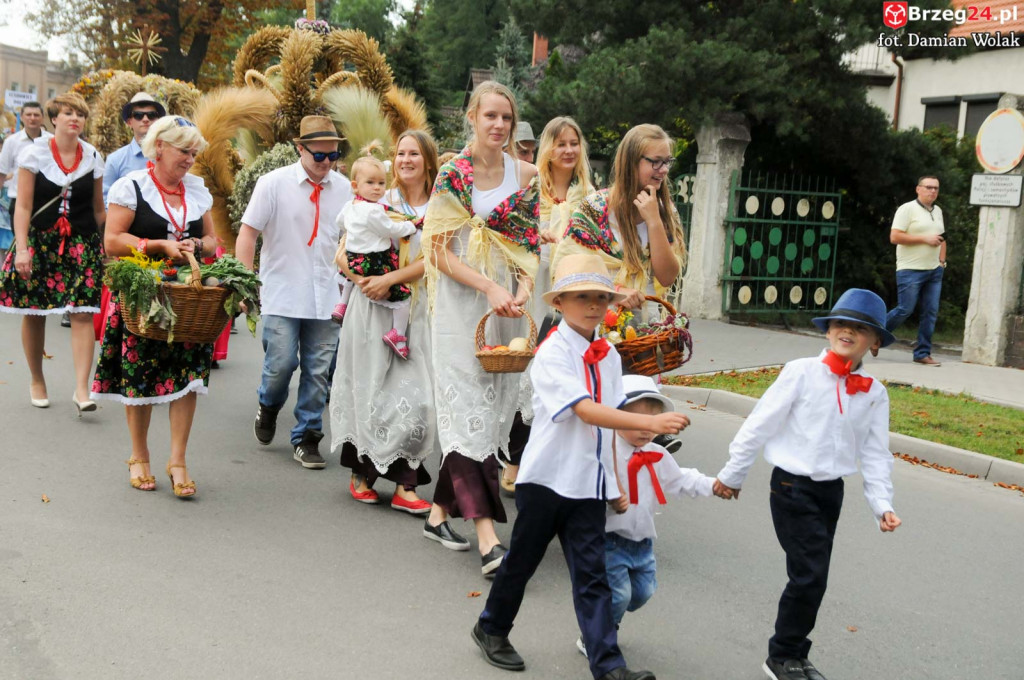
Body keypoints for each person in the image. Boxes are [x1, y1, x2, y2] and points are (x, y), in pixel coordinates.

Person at [472, 253, 688, 680]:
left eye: (600, 297)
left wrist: (610, 484)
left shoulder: (607, 355)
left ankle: (609, 667)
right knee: (522, 563)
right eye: (582, 296)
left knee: (593, 577)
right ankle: (491, 628)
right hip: (548, 480)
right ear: (561, 303)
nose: (592, 305)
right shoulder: (552, 352)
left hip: (588, 485)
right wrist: (648, 422)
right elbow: (587, 412)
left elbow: (606, 429)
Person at [713, 288, 903, 680]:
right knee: (809, 574)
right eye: (840, 324)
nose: (847, 332)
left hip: (831, 492)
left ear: (876, 342)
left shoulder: (875, 394)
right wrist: (733, 474)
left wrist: (882, 504)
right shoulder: (800, 372)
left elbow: (875, 454)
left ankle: (796, 653)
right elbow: (759, 424)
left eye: (860, 328)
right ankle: (780, 655)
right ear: (828, 330)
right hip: (790, 487)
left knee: (814, 575)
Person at [422, 81, 540, 573]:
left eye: (506, 118)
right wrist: (488, 289)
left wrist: (521, 289)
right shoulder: (454, 174)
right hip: (457, 303)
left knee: (488, 415)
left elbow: (528, 245)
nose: (498, 125)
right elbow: (436, 250)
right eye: (489, 116)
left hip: (503, 306)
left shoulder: (526, 173)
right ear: (472, 117)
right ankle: (489, 537)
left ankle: (437, 514)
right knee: (466, 407)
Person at [90, 115, 216, 498]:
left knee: (188, 379)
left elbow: (212, 240)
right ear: (159, 146)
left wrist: (199, 247)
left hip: (187, 296)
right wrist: (157, 246)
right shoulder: (132, 186)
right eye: (184, 150)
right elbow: (112, 241)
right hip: (143, 295)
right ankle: (139, 455)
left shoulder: (195, 190)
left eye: (194, 152)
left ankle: (177, 460)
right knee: (140, 375)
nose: (190, 158)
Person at [331, 129, 439, 514]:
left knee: (418, 397)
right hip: (369, 305)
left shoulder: (442, 205)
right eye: (401, 153)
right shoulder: (377, 197)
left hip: (415, 305)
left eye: (414, 153)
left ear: (428, 160)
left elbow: (438, 258)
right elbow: (343, 249)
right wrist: (363, 280)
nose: (407, 160)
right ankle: (363, 473)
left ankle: (407, 481)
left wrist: (389, 280)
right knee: (370, 386)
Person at [236, 115, 351, 469]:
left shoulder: (345, 188)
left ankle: (307, 436)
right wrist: (244, 281)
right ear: (300, 149)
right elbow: (248, 234)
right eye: (319, 156)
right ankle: (268, 406)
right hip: (282, 291)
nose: (327, 163)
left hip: (328, 294)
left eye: (334, 155)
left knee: (319, 372)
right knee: (281, 364)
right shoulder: (273, 184)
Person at [575, 373, 712, 658]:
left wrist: (713, 485)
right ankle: (595, 636)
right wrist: (606, 496)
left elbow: (680, 479)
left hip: (643, 543)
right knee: (619, 595)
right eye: (635, 419)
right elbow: (586, 484)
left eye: (652, 420)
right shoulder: (605, 451)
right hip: (610, 539)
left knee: (641, 593)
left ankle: (605, 622)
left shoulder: (658, 454)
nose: (644, 429)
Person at [503, 115, 595, 494]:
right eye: (560, 143)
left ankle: (556, 465)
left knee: (569, 375)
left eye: (574, 142)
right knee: (527, 372)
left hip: (574, 292)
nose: (568, 150)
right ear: (548, 149)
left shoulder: (589, 196)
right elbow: (510, 236)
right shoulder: (530, 189)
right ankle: (513, 458)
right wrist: (535, 239)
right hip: (534, 286)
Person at [0, 93, 104, 413]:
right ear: (54, 119)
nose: (75, 118)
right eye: (68, 113)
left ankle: (81, 389)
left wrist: (108, 246)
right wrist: (22, 248)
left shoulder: (93, 156)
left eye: (80, 114)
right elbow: (24, 207)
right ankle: (36, 379)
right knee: (34, 312)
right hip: (40, 242)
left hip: (81, 244)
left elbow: (99, 210)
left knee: (83, 312)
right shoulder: (35, 154)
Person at [556, 123, 686, 317]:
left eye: (667, 161)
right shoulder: (595, 208)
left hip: (644, 322)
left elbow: (667, 277)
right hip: (598, 315)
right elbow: (568, 269)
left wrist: (654, 222)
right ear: (632, 162)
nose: (664, 169)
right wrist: (614, 291)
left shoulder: (666, 211)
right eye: (656, 162)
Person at [333, 143, 417, 359]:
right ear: (355, 184)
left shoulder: (350, 205)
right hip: (377, 260)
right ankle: (397, 334)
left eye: (381, 183)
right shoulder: (374, 211)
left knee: (350, 277)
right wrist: (409, 227)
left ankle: (341, 304)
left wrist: (354, 230)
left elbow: (339, 222)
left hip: (355, 256)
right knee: (402, 297)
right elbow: (391, 229)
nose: (377, 188)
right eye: (371, 183)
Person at [884, 175, 946, 366]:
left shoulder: (938, 211)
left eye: (935, 188)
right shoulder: (907, 209)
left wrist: (942, 261)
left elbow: (942, 237)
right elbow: (894, 237)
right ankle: (873, 335)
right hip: (910, 269)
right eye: (928, 187)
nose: (932, 191)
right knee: (905, 309)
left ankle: (922, 353)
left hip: (934, 270)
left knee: (930, 312)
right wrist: (924, 239)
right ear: (918, 189)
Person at [102, 92, 166, 203]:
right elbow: (105, 200)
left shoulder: (170, 155)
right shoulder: (115, 160)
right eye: (138, 115)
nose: (145, 119)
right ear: (129, 122)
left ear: (158, 120)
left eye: (151, 115)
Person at [0, 101, 51, 224]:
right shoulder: (11, 142)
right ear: (22, 117)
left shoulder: (51, 141)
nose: (32, 118)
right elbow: (2, 172)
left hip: (45, 203)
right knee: (19, 241)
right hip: (18, 201)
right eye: (28, 114)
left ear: (42, 118)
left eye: (36, 115)